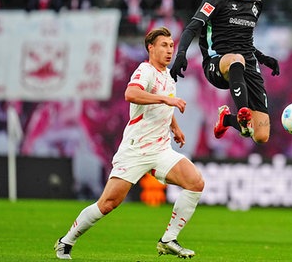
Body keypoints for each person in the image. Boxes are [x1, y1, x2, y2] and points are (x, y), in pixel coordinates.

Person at [54, 27, 204, 259]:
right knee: (107, 204)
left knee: (195, 182)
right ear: (150, 48)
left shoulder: (167, 76)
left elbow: (164, 103)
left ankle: (168, 240)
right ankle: (66, 241)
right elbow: (131, 94)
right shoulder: (145, 70)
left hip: (161, 149)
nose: (169, 50)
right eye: (163, 45)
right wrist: (165, 99)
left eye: (171, 46)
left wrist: (174, 127)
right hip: (135, 150)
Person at [170, 0, 280, 143]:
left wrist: (263, 59)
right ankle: (242, 112)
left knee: (261, 135)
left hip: (247, 64)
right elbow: (192, 27)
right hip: (217, 63)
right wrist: (181, 53)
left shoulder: (256, 4)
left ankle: (228, 119)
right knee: (236, 59)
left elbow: (245, 41)